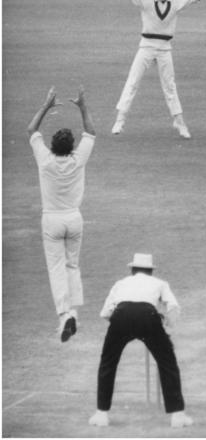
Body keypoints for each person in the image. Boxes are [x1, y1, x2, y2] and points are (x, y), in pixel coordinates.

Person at [88, 253, 193, 428]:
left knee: (107, 363)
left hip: (121, 315)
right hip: (148, 316)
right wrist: (166, 324)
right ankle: (178, 416)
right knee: (167, 362)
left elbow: (105, 313)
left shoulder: (120, 283)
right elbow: (174, 307)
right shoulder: (160, 283)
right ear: (150, 271)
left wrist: (120, 324)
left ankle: (101, 414)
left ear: (132, 270)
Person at [28, 86, 96, 342]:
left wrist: (47, 105)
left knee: (56, 268)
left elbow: (31, 131)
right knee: (71, 265)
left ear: (53, 145)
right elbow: (91, 132)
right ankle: (73, 313)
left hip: (52, 220)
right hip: (74, 219)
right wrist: (82, 106)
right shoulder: (77, 159)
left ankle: (64, 314)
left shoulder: (45, 160)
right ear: (70, 146)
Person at [111, 0, 205, 139]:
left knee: (169, 86)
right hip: (146, 46)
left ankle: (179, 122)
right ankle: (120, 120)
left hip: (164, 48)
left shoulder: (175, 2)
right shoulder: (146, 0)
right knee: (133, 82)